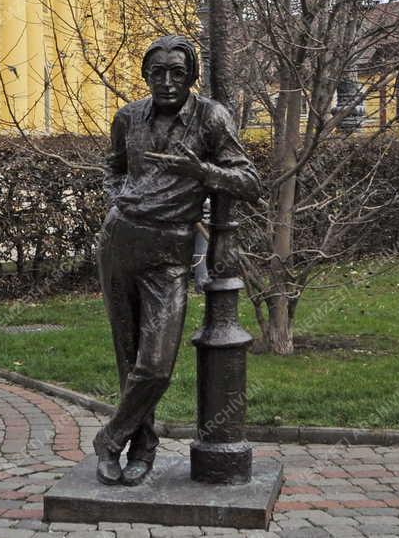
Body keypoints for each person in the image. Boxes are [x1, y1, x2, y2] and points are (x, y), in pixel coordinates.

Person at [93, 35, 260, 488]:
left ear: (191, 77)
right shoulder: (128, 117)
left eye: (177, 73)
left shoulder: (210, 118)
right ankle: (142, 449)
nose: (166, 82)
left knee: (156, 364)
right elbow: (112, 168)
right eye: (157, 73)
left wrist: (203, 173)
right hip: (120, 240)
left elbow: (248, 180)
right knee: (129, 359)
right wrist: (118, 197)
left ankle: (109, 438)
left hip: (169, 252)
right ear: (146, 75)